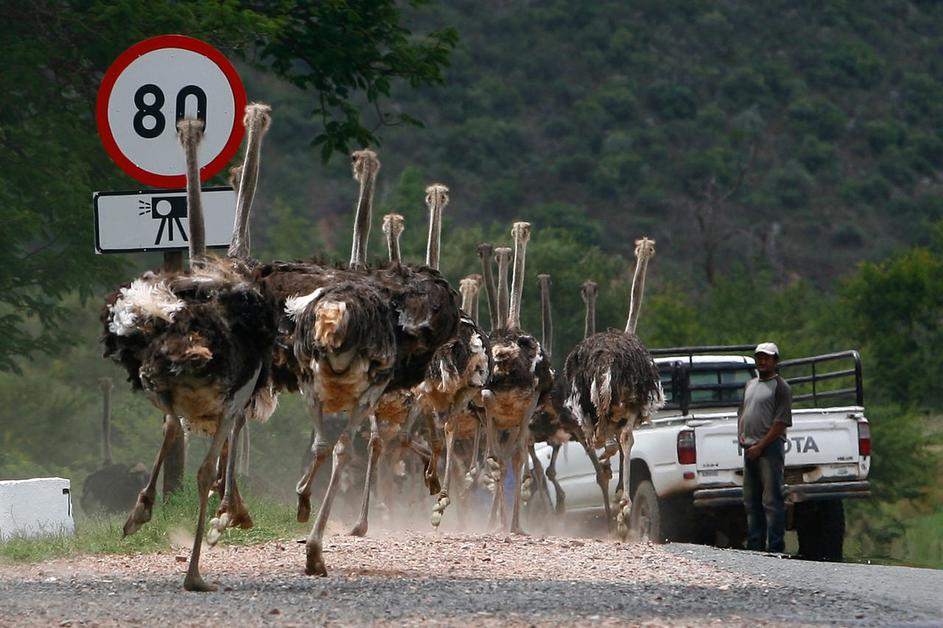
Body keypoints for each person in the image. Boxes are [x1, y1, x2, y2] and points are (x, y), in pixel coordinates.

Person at [738, 341, 792, 553]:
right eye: (759, 357)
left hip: (769, 449)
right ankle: (755, 544)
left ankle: (776, 546)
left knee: (772, 499)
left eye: (766, 357)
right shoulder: (750, 385)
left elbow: (780, 423)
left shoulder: (781, 387)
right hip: (750, 447)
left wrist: (760, 446)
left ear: (775, 361)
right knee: (751, 500)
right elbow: (742, 412)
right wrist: (741, 437)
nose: (762, 361)